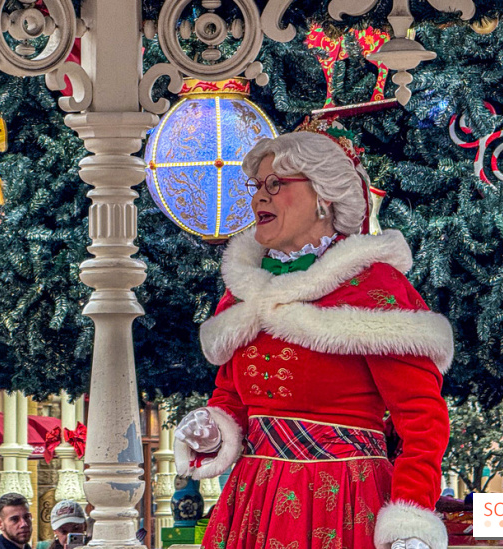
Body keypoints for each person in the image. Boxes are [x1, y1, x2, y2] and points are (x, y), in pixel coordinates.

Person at [173, 122, 453, 549]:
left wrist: (410, 520)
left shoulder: (374, 288)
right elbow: (231, 395)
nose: (259, 197)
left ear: (324, 196)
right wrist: (214, 429)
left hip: (342, 501)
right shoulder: (246, 291)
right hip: (255, 501)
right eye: (257, 185)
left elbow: (421, 420)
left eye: (275, 184)